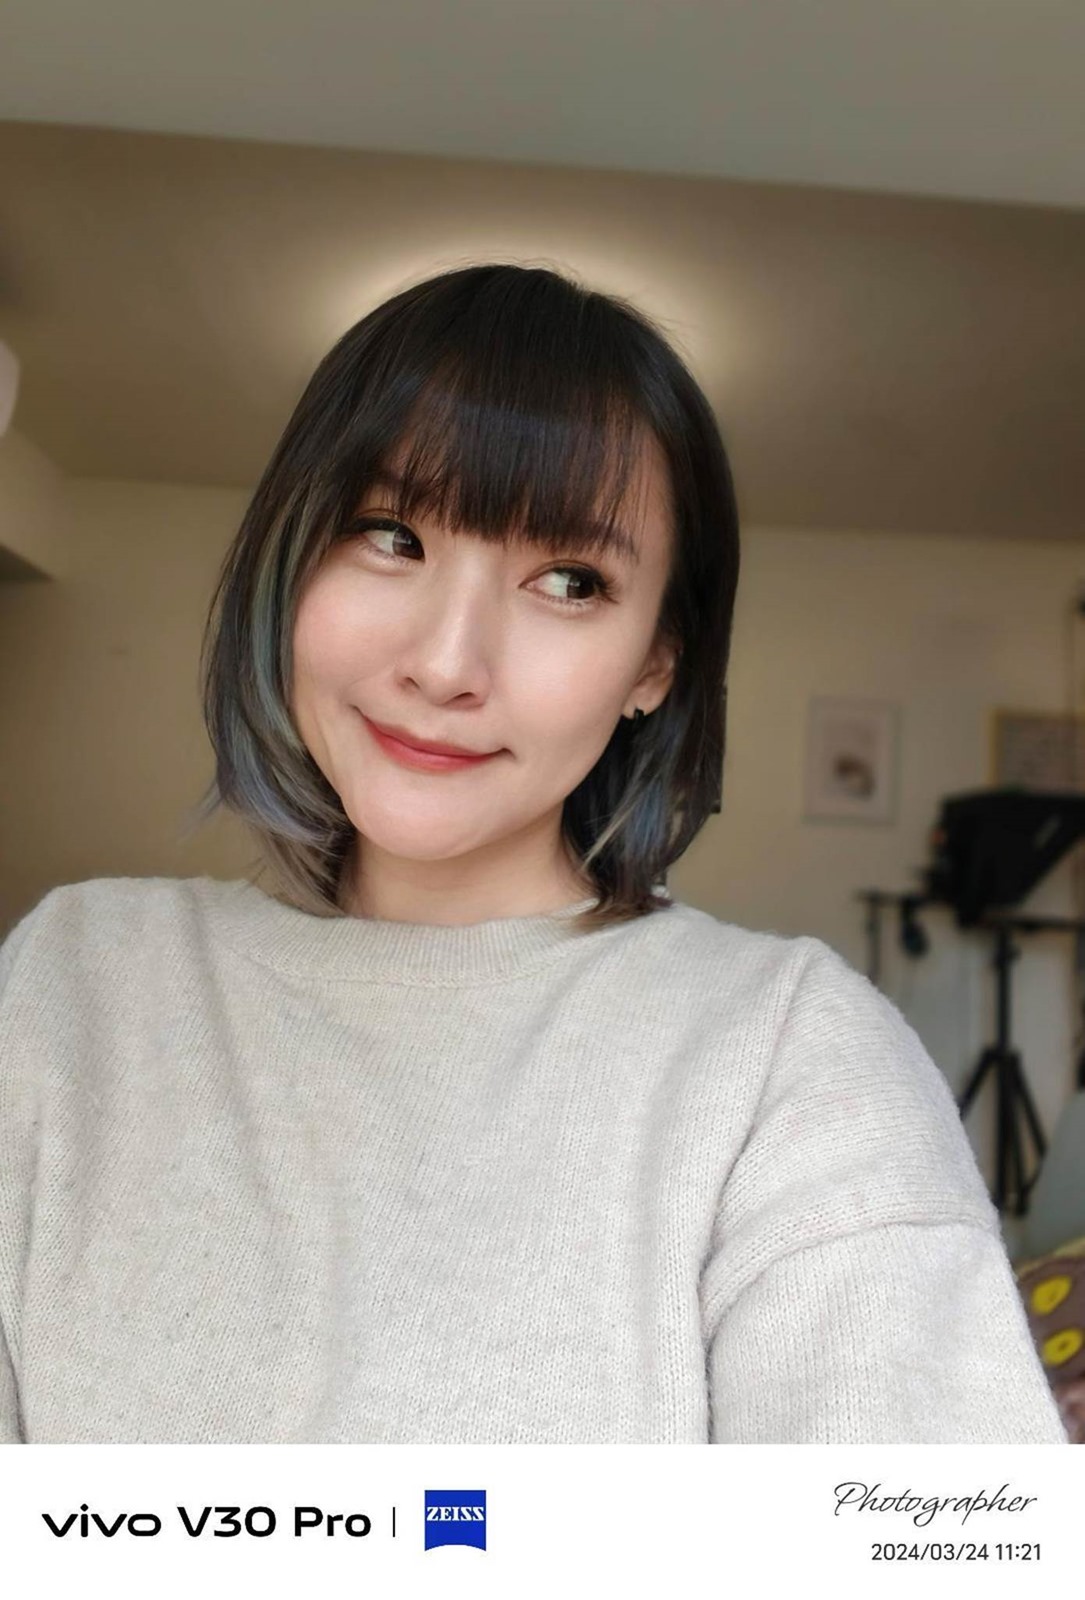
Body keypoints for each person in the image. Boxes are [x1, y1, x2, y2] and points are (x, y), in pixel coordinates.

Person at [0, 262, 1068, 1444]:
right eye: (389, 535)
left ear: (654, 663)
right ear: (288, 558)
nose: (445, 663)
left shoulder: (789, 1055)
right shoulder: (73, 986)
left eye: (568, 581)